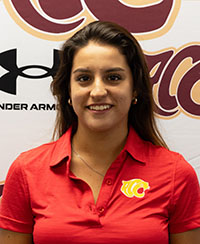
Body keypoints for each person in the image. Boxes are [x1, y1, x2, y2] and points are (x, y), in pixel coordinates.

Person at [0, 21, 200, 244]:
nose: (97, 91)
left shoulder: (175, 174)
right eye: (84, 78)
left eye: (113, 77)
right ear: (68, 90)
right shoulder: (27, 171)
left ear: (135, 88)